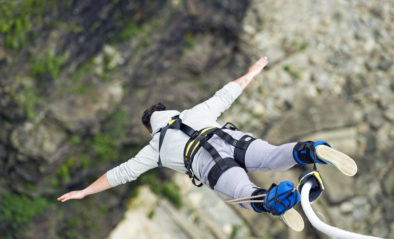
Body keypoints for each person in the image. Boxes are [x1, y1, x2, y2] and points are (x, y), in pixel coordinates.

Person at [58, 57, 356, 216]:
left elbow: (119, 174)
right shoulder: (194, 112)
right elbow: (228, 92)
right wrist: (253, 72)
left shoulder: (154, 149)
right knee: (272, 157)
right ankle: (309, 152)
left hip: (213, 168)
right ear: (168, 111)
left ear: (150, 128)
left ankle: (274, 200)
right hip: (235, 142)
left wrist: (84, 191)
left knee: (244, 196)